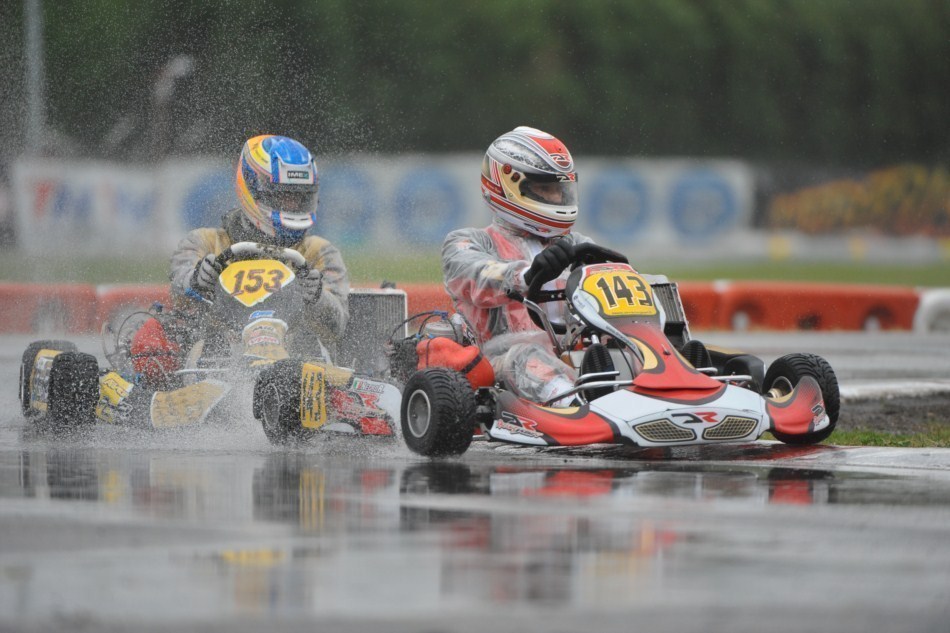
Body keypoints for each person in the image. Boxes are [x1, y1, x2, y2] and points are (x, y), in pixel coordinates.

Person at [132, 134, 349, 384]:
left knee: (309, 341)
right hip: (218, 361)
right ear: (253, 189)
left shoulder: (318, 252)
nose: (291, 205)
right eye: (282, 196)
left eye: (299, 198)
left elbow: (337, 327)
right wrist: (196, 280)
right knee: (152, 336)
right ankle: (180, 390)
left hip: (297, 364)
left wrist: (318, 297)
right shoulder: (205, 243)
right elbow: (179, 292)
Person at [441, 126, 595, 406]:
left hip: (571, 357)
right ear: (509, 186)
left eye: (560, 189)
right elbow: (474, 275)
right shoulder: (469, 241)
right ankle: (575, 407)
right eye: (545, 188)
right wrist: (526, 275)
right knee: (526, 356)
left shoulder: (576, 244)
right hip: (497, 364)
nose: (557, 198)